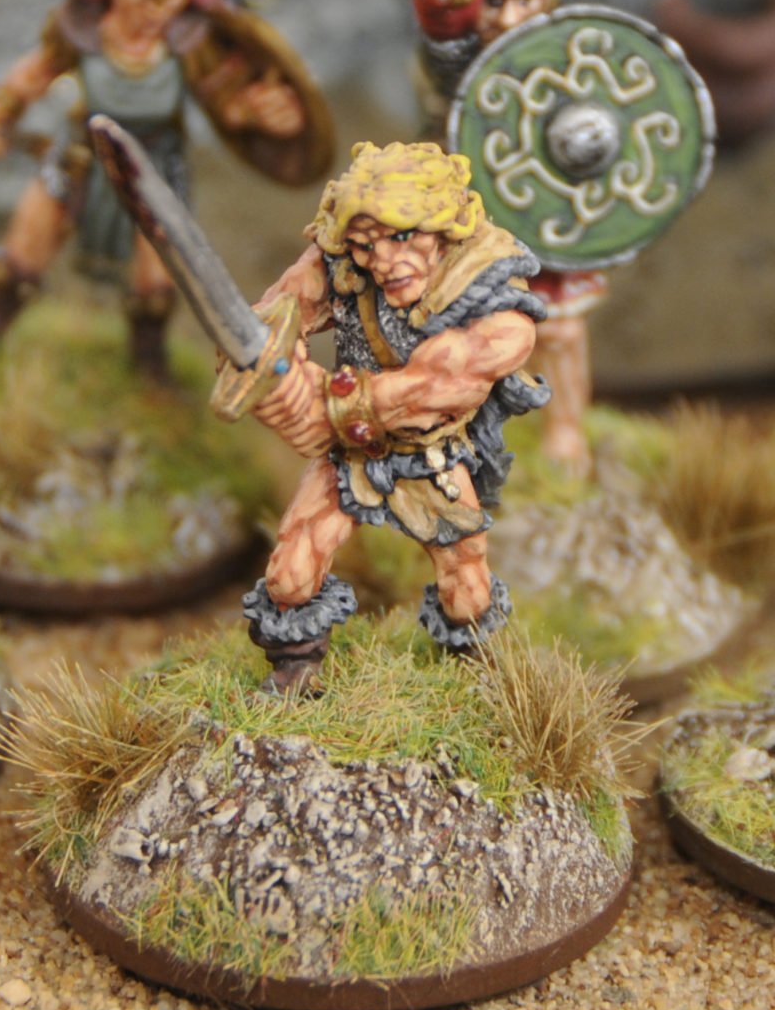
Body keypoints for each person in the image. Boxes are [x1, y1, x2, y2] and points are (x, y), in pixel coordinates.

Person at [234, 141, 550, 694]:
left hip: (433, 457)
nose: (382, 261)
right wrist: (267, 368)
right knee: (289, 576)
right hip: (351, 458)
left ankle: (475, 680)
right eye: (365, 245)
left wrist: (330, 406)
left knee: (466, 590)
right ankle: (296, 674)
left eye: (402, 237)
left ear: (441, 227)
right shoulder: (343, 266)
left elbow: (439, 382)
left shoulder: (492, 297)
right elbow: (275, 316)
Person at [0, 0, 325, 371]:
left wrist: (269, 112)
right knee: (19, 254)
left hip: (153, 170)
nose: (155, 11)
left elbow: (229, 102)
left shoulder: (190, 43)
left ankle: (149, 369)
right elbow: (31, 75)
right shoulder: (83, 28)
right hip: (80, 159)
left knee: (155, 282)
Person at [409, 0, 603, 473]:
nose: (510, 18)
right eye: (495, 1)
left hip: (543, 215)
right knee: (463, 331)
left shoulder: (568, 60)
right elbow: (441, 20)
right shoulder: (458, 61)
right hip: (468, 221)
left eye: (526, 1)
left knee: (560, 330)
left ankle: (565, 431)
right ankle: (463, 443)